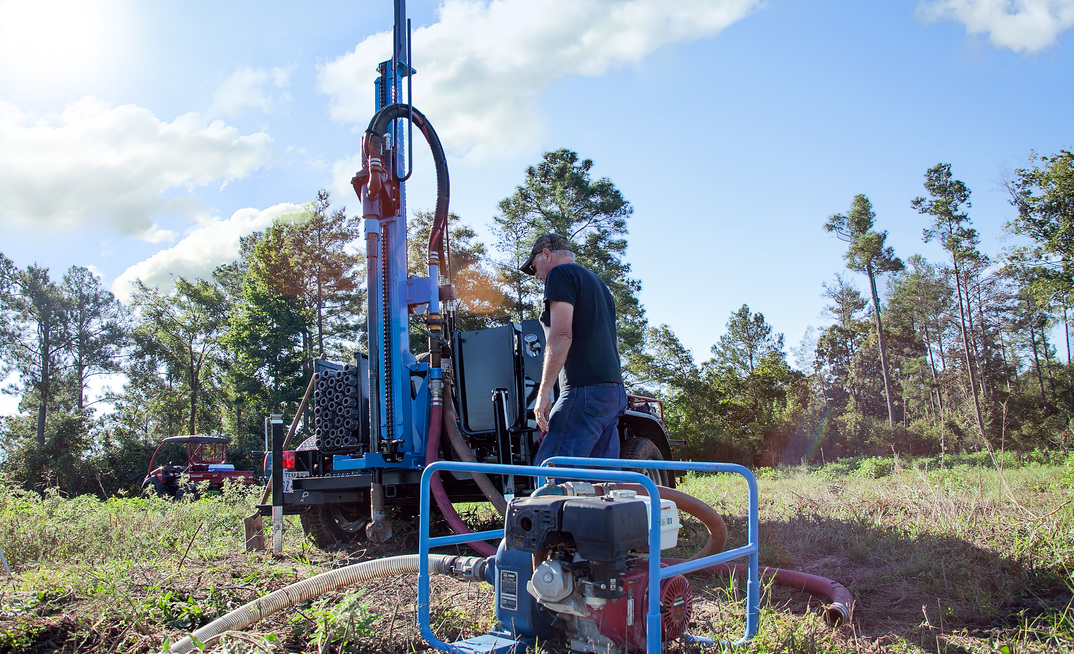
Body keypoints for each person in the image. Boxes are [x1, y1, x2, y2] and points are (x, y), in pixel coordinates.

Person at [519, 233, 626, 465]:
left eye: (535, 266)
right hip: (613, 392)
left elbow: (562, 335)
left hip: (584, 391)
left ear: (546, 254)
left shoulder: (559, 274)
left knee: (549, 472)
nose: (536, 275)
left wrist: (543, 393)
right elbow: (614, 343)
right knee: (602, 483)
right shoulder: (599, 284)